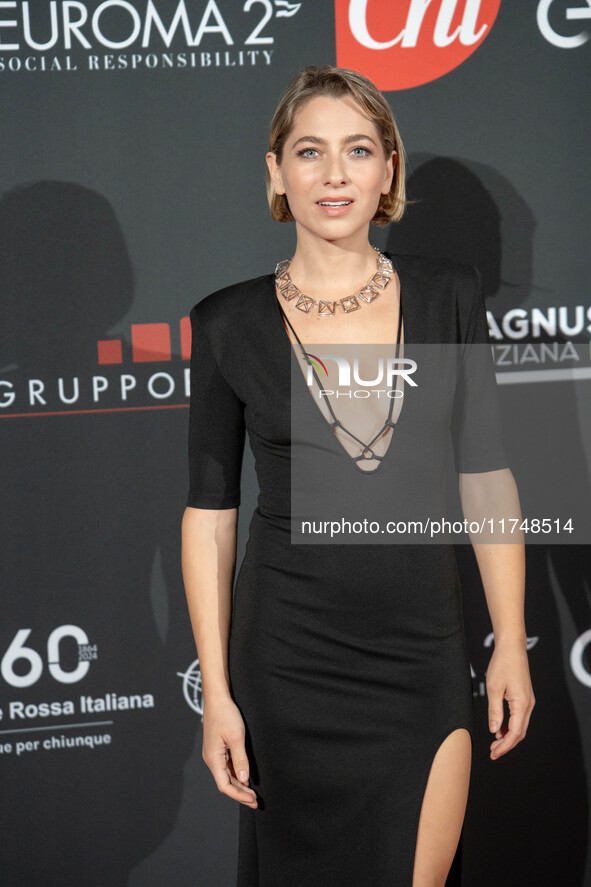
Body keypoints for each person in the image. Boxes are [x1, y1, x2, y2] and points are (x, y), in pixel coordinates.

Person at [181, 65, 535, 887]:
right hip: (287, 660)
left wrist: (510, 641)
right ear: (275, 171)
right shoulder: (227, 321)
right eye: (309, 151)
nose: (334, 175)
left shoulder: (448, 293)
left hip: (421, 652)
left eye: (358, 151)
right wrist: (218, 691)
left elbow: (485, 474)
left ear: (387, 171)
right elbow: (210, 515)